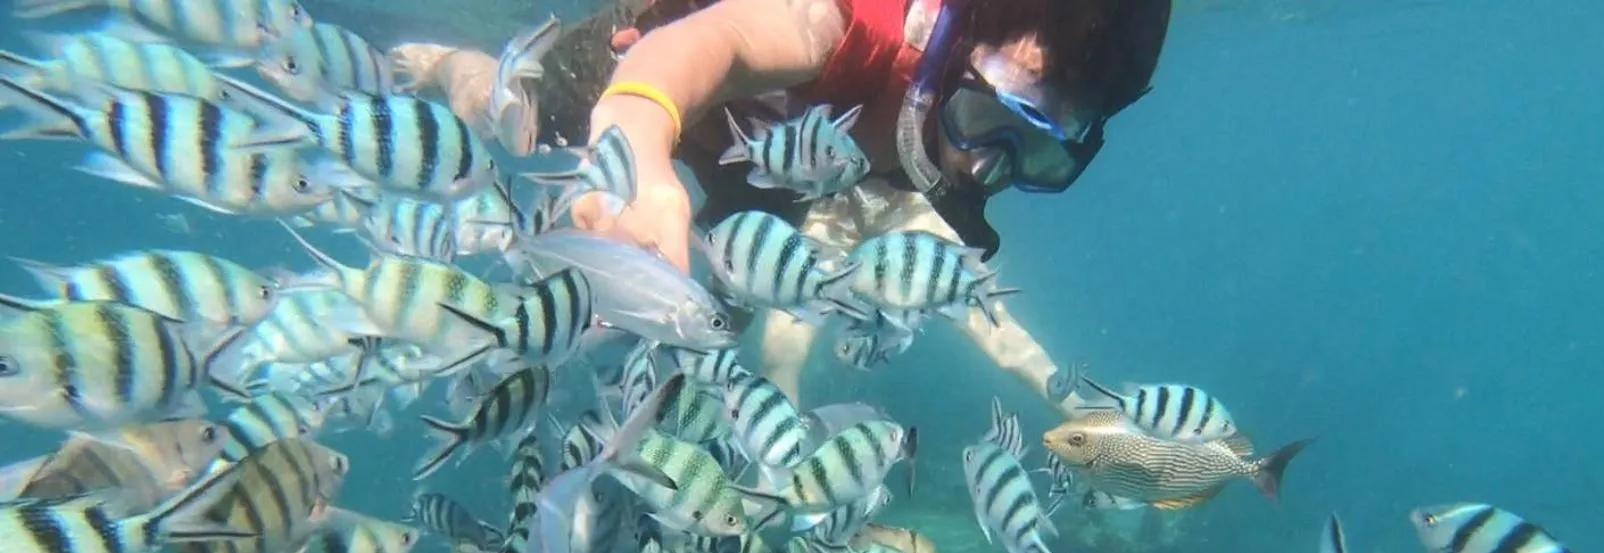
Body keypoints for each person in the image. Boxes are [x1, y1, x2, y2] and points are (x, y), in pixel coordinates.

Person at [397, 0, 1171, 406]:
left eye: (1037, 155)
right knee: (519, 121)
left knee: (713, 321)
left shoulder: (953, 133)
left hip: (780, 166)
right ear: (950, 45)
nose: (984, 166)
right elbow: (719, 42)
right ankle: (457, 68)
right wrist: (638, 151)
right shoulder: (841, 25)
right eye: (986, 123)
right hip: (661, 88)